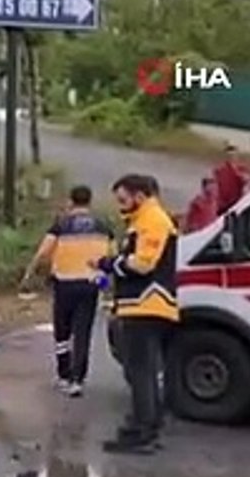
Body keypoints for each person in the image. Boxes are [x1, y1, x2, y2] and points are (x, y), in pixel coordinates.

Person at [94, 174, 179, 455]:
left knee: (139, 370)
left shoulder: (152, 220)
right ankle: (147, 425)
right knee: (142, 370)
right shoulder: (144, 220)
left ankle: (142, 432)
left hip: (146, 305)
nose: (120, 206)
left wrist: (109, 263)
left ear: (139, 196)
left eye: (123, 199)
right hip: (145, 305)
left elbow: (143, 265)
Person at [22, 185, 115, 397]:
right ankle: (77, 379)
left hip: (64, 284)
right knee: (83, 332)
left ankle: (64, 374)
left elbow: (44, 252)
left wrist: (30, 273)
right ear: (89, 202)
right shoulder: (103, 226)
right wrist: (106, 284)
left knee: (62, 331)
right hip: (92, 284)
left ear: (70, 201)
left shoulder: (61, 225)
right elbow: (113, 256)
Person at [212, 144, 248, 214]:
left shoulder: (242, 169)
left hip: (236, 204)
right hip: (222, 205)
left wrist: (234, 170)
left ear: (237, 157)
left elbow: (245, 182)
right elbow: (214, 187)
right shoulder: (219, 170)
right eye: (229, 156)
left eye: (233, 156)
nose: (231, 158)